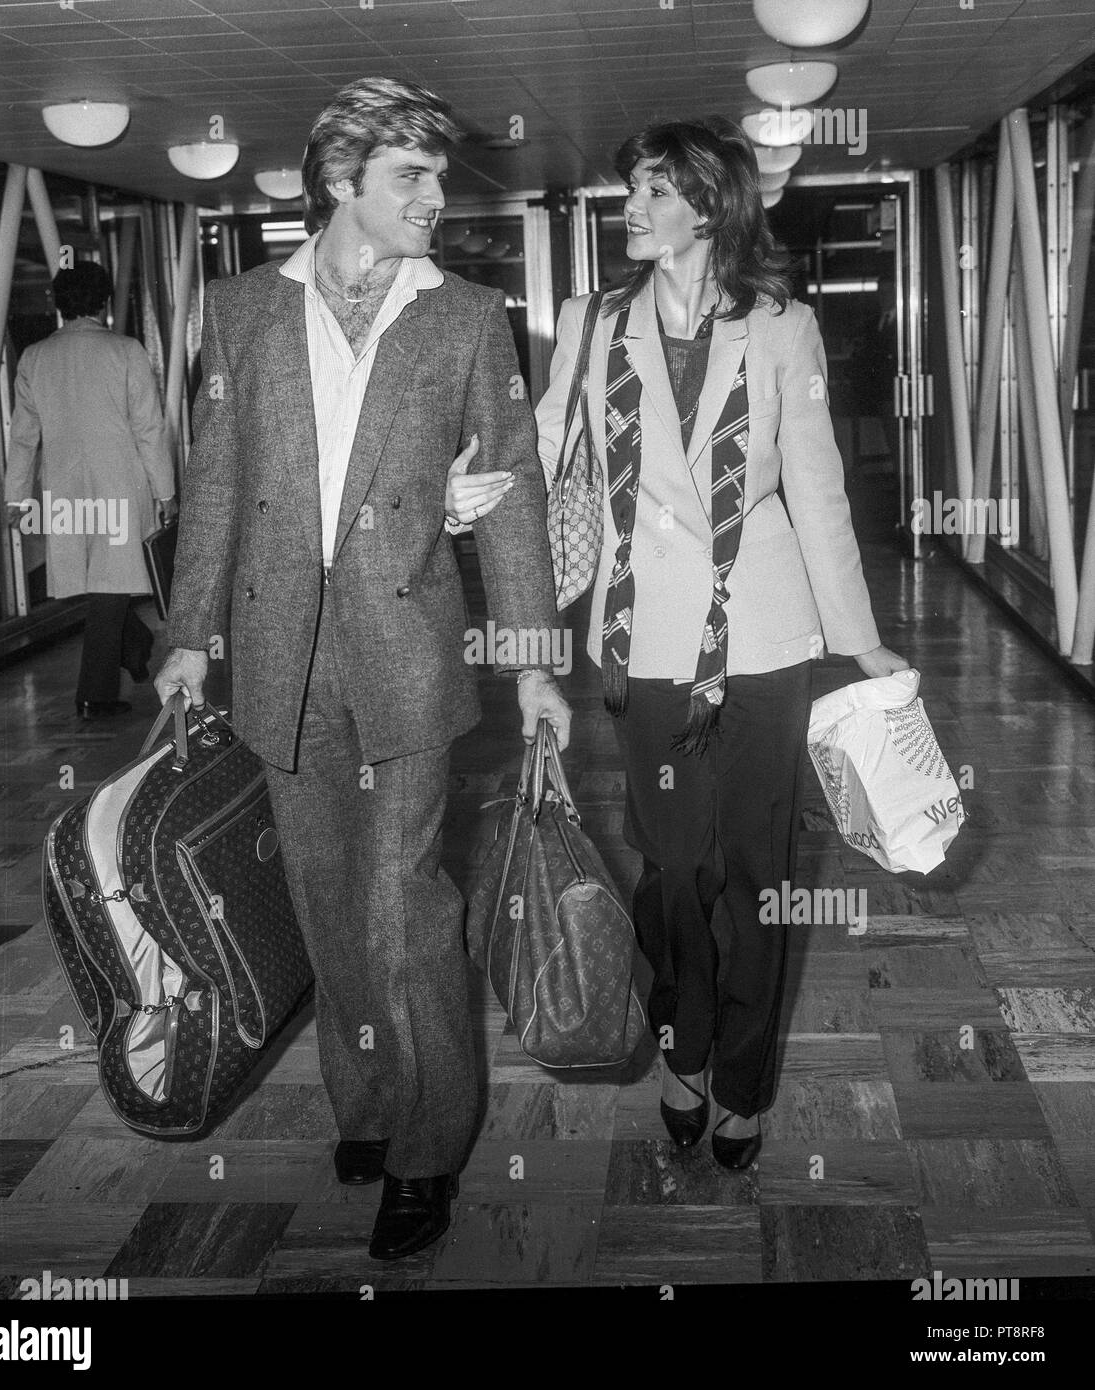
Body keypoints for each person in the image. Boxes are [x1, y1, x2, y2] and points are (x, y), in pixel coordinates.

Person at [155, 77, 571, 1261]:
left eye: (439, 177)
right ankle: (371, 1100)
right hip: (277, 657)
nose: (437, 199)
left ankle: (428, 1147)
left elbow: (516, 501)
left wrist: (536, 659)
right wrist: (190, 636)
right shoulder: (240, 312)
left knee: (403, 913)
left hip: (407, 654)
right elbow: (221, 482)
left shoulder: (467, 317)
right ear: (340, 185)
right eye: (410, 178)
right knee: (327, 906)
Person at [460, 117, 908, 1169]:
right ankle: (683, 1045)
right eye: (635, 191)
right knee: (673, 874)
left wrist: (863, 643)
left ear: (708, 207)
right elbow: (538, 468)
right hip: (642, 638)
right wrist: (465, 501)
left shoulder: (782, 327)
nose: (633, 207)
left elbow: (818, 492)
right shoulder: (591, 318)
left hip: (764, 634)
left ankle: (744, 1081)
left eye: (655, 191)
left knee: (756, 871)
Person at [5, 261, 177, 717]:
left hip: (65, 490)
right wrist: (166, 490)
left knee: (102, 585)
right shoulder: (126, 351)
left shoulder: (35, 358)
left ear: (59, 305)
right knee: (110, 584)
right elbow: (149, 428)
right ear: (102, 302)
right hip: (120, 484)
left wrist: (16, 497)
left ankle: (135, 648)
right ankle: (94, 694)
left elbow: (23, 435)